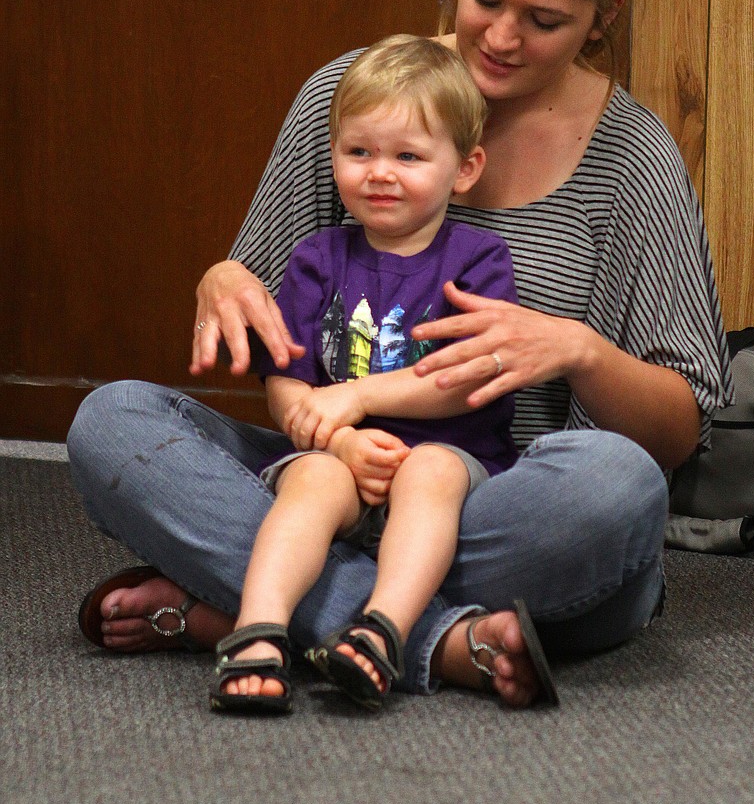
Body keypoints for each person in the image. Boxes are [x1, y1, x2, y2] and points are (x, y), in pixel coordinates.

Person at [69, 0, 734, 710]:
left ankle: (252, 604)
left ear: (602, 19)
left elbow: (678, 429)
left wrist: (575, 349)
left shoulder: (633, 157)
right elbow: (268, 308)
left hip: (499, 496)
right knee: (112, 422)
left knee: (615, 491)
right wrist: (222, 278)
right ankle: (437, 642)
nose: (499, 38)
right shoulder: (351, 94)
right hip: (331, 471)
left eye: (544, 22)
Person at [210, 36, 555, 713]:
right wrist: (334, 438)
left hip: (450, 458)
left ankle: (383, 630)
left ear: (464, 167)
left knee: (431, 471)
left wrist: (357, 395)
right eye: (359, 151)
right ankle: (258, 631)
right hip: (342, 458)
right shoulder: (318, 257)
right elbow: (287, 374)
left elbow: (463, 375)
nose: (379, 173)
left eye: (408, 156)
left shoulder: (480, 260)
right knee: (309, 475)